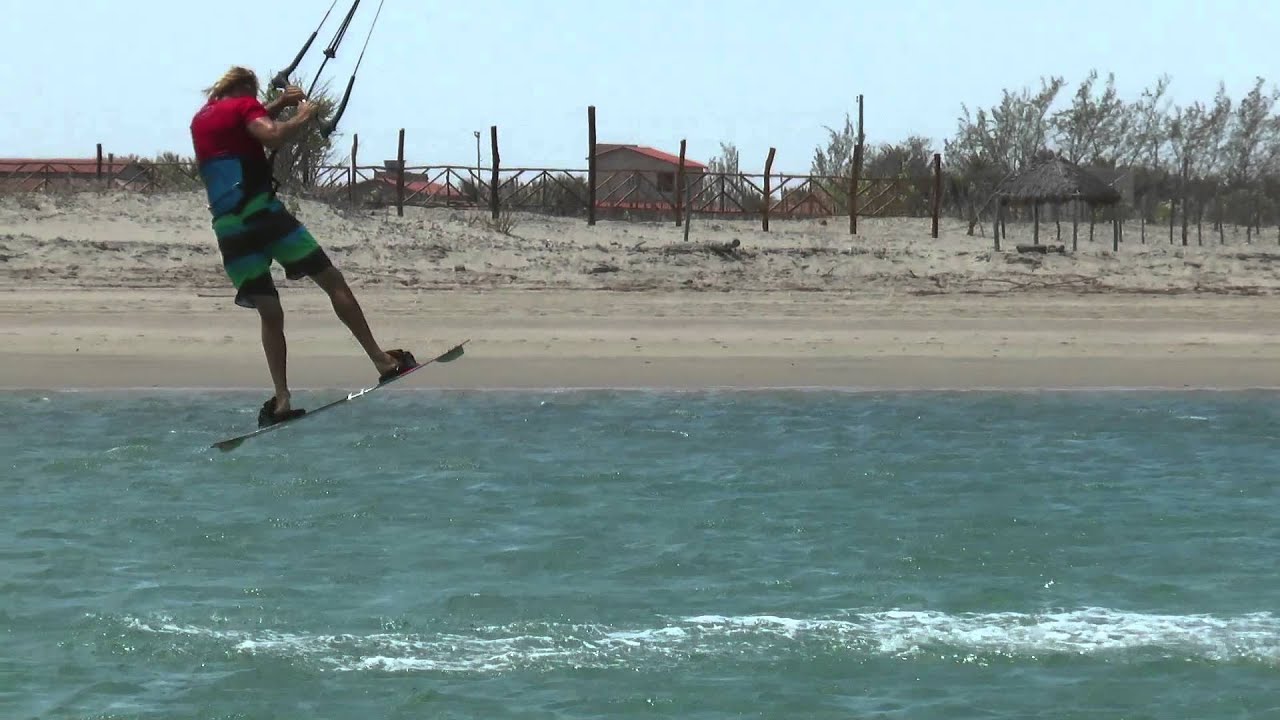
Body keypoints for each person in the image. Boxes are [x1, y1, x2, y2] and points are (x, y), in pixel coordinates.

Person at [190, 66, 416, 427]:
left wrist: (279, 102)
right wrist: (304, 114)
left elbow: (243, 125)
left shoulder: (203, 118)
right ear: (246, 88)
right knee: (331, 281)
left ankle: (281, 399)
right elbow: (271, 135)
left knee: (270, 313)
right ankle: (382, 360)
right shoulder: (247, 106)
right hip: (263, 215)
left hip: (229, 229)